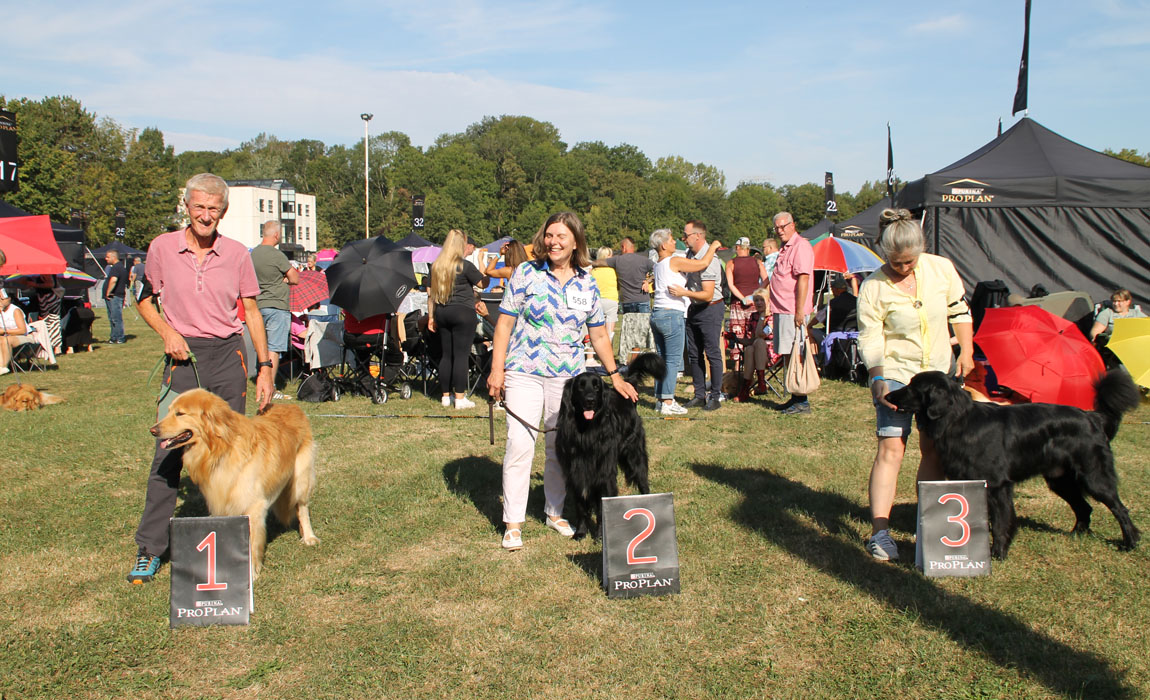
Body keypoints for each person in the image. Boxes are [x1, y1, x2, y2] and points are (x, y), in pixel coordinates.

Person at [127, 173, 276, 584]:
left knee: (233, 451)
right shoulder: (161, 248)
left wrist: (264, 367)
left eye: (214, 208)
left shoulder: (237, 255)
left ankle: (232, 543)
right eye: (199, 207)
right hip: (184, 357)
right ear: (186, 208)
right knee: (167, 451)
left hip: (229, 355)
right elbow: (143, 299)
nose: (206, 215)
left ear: (223, 212)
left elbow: (250, 312)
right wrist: (167, 333)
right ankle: (150, 549)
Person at [487, 212, 638, 551]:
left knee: (560, 448)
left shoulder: (587, 281)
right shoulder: (526, 272)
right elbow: (504, 325)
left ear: (575, 242)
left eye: (561, 237)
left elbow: (598, 335)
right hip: (523, 370)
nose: (554, 242)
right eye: (549, 235)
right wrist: (498, 370)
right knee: (520, 444)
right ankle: (513, 522)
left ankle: (554, 512)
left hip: (568, 378)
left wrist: (615, 376)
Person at [857, 207, 974, 562]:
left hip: (938, 374)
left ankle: (933, 527)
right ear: (883, 250)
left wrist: (966, 351)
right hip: (894, 371)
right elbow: (871, 337)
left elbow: (959, 311)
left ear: (921, 250)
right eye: (895, 262)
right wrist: (877, 377)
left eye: (909, 261)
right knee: (891, 449)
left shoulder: (942, 269)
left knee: (935, 448)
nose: (903, 268)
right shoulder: (873, 286)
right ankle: (880, 532)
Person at [650, 227, 721, 415]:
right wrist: (713, 246)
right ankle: (667, 401)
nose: (676, 242)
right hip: (671, 314)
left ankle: (660, 398)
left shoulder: (658, 263)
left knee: (662, 359)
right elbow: (703, 263)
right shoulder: (674, 260)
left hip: (657, 313)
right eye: (672, 240)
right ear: (664, 245)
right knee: (673, 360)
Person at [428, 229, 484, 409]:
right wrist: (483, 264)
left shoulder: (436, 265)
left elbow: (430, 295)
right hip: (463, 312)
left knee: (447, 355)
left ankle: (446, 396)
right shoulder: (464, 265)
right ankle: (460, 398)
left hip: (442, 312)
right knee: (461, 355)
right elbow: (483, 283)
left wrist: (431, 317)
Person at [768, 212, 815, 415]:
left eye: (783, 226)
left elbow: (803, 280)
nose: (780, 230)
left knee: (797, 354)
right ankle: (794, 396)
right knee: (787, 353)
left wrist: (799, 311)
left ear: (792, 225)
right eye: (776, 228)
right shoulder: (784, 248)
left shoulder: (800, 246)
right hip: (782, 310)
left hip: (792, 310)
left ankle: (802, 400)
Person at [679, 221, 726, 411]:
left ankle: (715, 395)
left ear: (698, 236)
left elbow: (707, 293)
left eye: (686, 235)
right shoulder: (691, 255)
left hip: (710, 307)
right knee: (694, 353)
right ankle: (700, 395)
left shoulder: (711, 260)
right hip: (695, 308)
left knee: (712, 353)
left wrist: (684, 294)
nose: (683, 239)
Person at [250, 220, 300, 399]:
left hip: (257, 305)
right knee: (274, 347)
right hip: (277, 305)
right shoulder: (276, 255)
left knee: (261, 345)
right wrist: (285, 279)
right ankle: (270, 385)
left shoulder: (253, 254)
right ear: (277, 235)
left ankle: (259, 379)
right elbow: (294, 278)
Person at [593, 236, 654, 366]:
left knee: (628, 332)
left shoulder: (617, 260)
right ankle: (634, 360)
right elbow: (659, 269)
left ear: (624, 247)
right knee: (640, 332)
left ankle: (625, 360)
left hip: (627, 301)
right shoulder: (645, 260)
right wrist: (648, 281)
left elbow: (598, 263)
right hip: (642, 300)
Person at [725, 236, 768, 373]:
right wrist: (755, 295)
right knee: (753, 333)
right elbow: (766, 280)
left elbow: (730, 284)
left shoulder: (731, 263)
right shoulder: (758, 262)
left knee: (738, 334)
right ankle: (755, 365)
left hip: (738, 303)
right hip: (755, 303)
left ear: (737, 247)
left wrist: (743, 297)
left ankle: (738, 366)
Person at [734, 289, 774, 401]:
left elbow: (760, 335)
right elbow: (751, 339)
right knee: (750, 348)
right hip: (755, 352)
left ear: (768, 301)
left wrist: (762, 316)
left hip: (771, 354)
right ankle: (751, 387)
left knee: (759, 342)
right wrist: (736, 339)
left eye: (762, 300)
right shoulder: (752, 316)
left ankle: (755, 384)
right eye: (756, 300)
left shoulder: (772, 317)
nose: (759, 303)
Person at [23, 274, 63, 353]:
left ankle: (52, 347)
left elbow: (50, 284)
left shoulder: (45, 272)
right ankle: (56, 347)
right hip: (50, 299)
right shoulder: (46, 271)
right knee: (53, 323)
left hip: (48, 299)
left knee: (48, 323)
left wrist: (34, 284)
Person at [0, 288, 34, 374]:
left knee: (6, 340)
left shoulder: (15, 310)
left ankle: (3, 366)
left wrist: (4, 331)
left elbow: (22, 330)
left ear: (9, 299)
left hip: (25, 337)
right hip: (7, 337)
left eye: (2, 299)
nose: (0, 301)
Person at [591, 247, 619, 341]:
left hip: (597, 301)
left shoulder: (593, 271)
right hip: (611, 300)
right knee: (609, 332)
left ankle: (590, 355)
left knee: (593, 329)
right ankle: (607, 351)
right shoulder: (614, 271)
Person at [102, 250, 128, 344]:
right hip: (113, 296)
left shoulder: (117, 268)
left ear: (114, 257)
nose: (106, 259)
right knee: (112, 317)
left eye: (108, 257)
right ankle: (113, 337)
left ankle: (120, 337)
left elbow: (113, 280)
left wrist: (108, 292)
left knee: (116, 318)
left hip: (115, 296)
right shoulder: (117, 267)